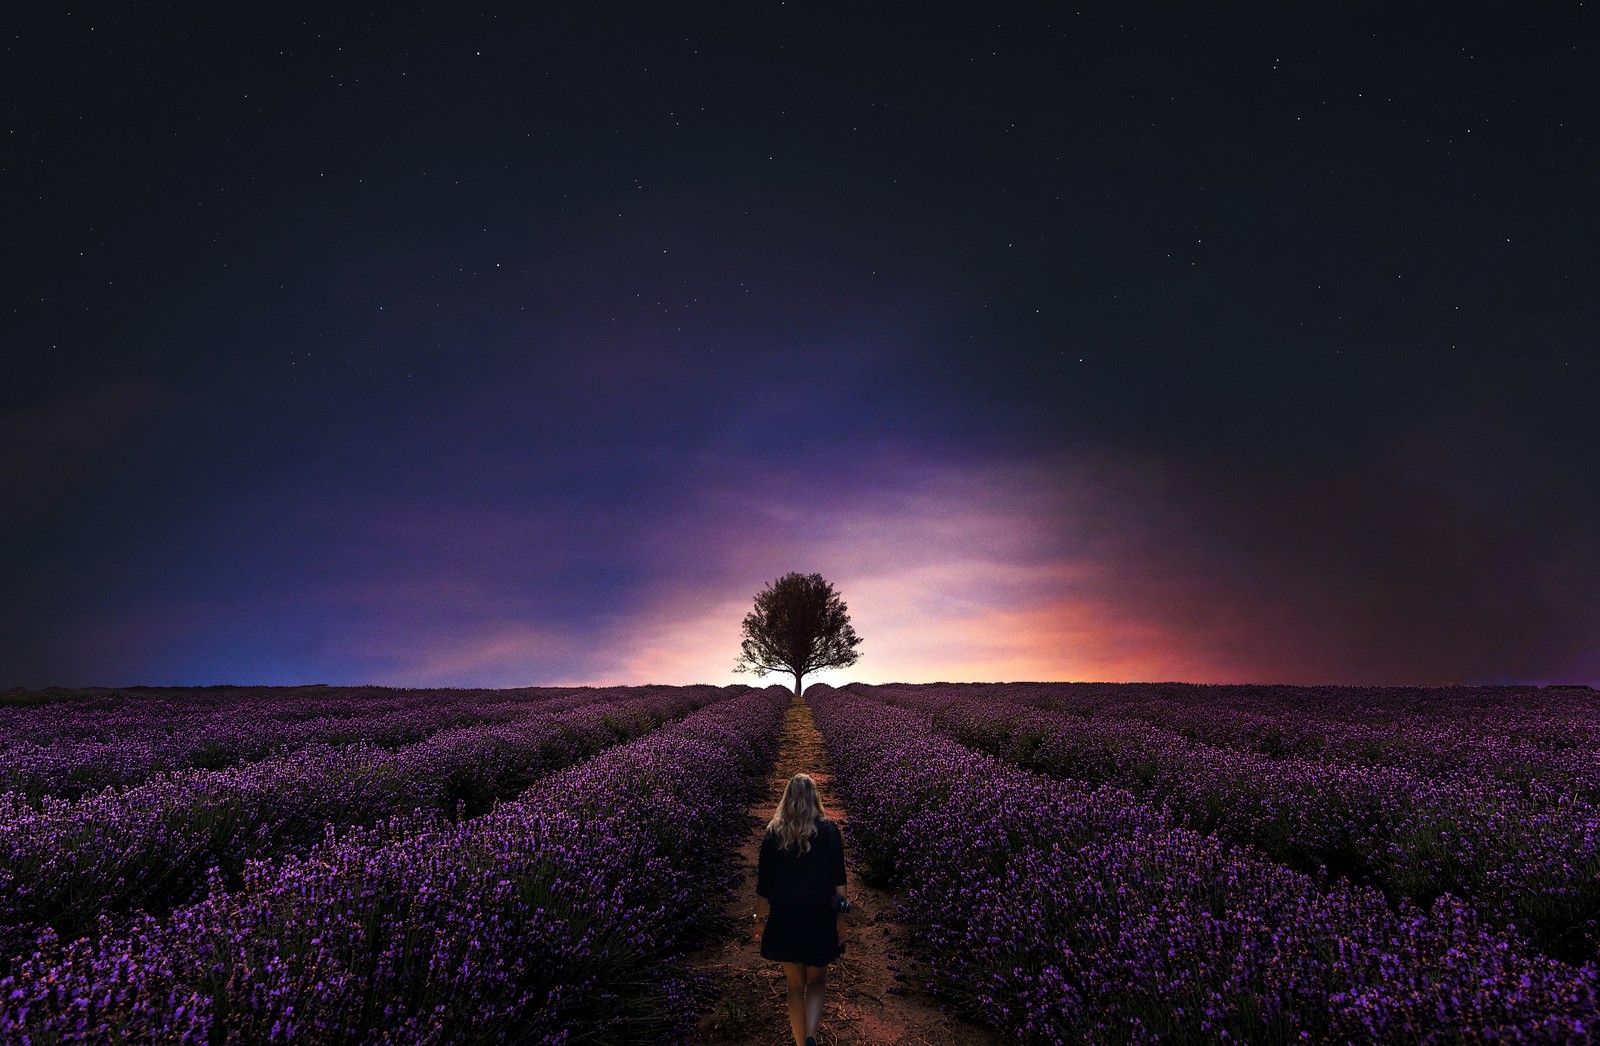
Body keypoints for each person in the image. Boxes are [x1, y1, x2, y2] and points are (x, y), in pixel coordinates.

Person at [753, 772, 848, 1046]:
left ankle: (799, 1042)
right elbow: (839, 883)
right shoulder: (829, 832)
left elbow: (764, 886)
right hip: (820, 917)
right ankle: (810, 1036)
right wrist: (841, 921)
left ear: (788, 799)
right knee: (817, 982)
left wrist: (759, 920)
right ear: (815, 798)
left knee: (795, 985)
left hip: (786, 919)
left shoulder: (773, 833)